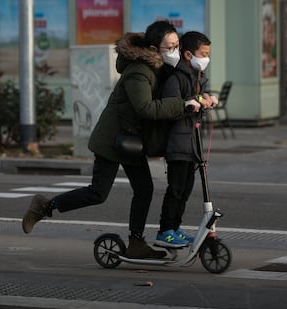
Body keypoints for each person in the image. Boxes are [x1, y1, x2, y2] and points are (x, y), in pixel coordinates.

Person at [21, 21, 205, 259]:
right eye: (169, 47)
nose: (174, 51)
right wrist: (182, 105)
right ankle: (45, 205)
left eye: (177, 46)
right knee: (98, 193)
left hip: (131, 140)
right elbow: (145, 108)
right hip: (112, 140)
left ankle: (136, 243)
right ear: (153, 48)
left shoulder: (160, 68)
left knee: (144, 189)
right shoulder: (139, 70)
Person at [155, 31, 218, 248]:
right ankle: (165, 230)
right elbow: (171, 106)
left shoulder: (197, 77)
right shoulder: (176, 77)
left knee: (186, 189)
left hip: (192, 142)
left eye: (209, 54)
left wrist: (208, 98)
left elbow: (201, 94)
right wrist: (191, 103)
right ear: (189, 55)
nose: (206, 58)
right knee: (176, 188)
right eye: (204, 53)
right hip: (177, 141)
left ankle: (175, 227)